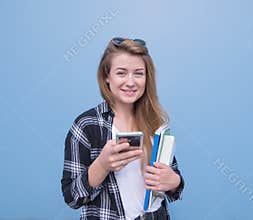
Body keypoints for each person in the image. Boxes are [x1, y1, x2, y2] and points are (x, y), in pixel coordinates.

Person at [61, 37, 184, 220]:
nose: (130, 82)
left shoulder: (155, 122)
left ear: (147, 77)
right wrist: (102, 165)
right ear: (106, 77)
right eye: (121, 73)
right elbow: (72, 198)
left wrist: (174, 181)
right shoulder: (87, 126)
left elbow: (173, 180)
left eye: (138, 73)